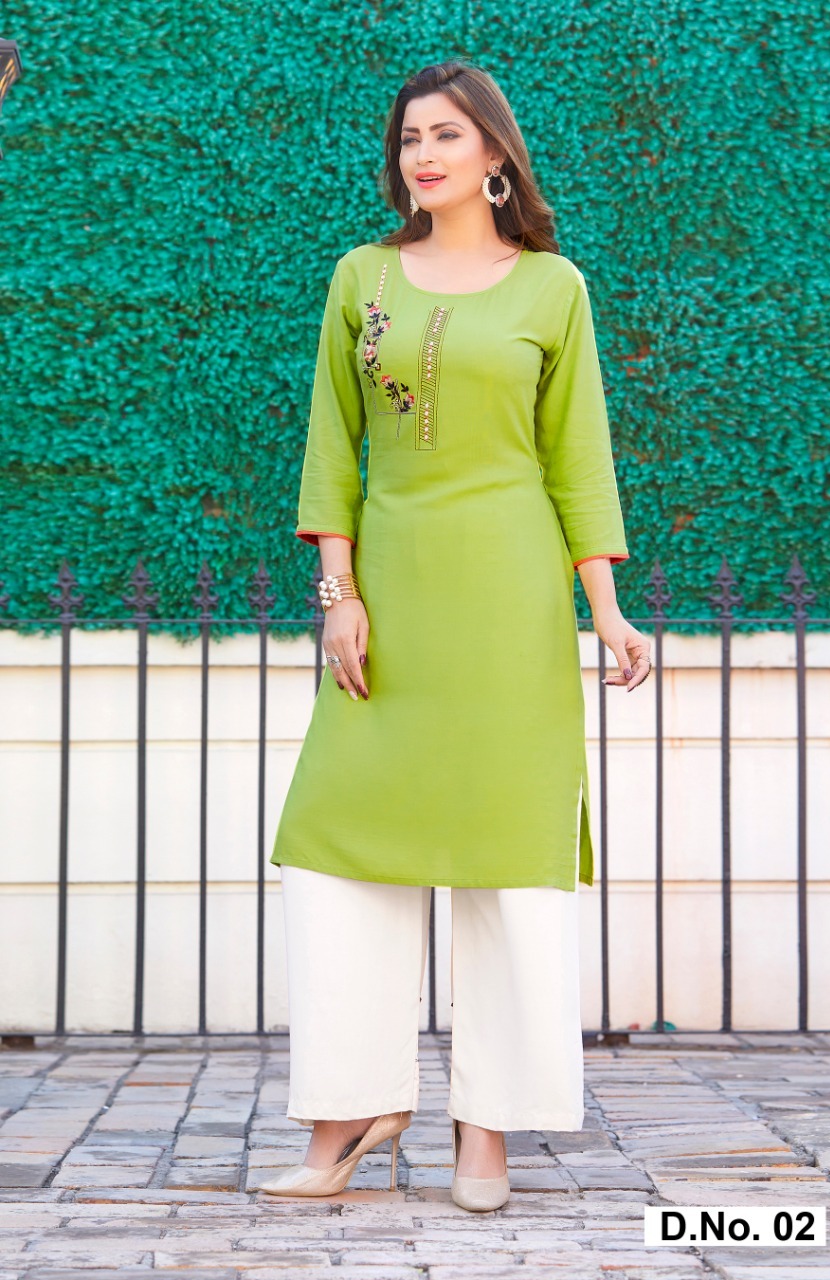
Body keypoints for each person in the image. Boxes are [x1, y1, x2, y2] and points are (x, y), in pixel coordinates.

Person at [260, 59, 651, 1211]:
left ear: (493, 154)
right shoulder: (362, 277)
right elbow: (331, 440)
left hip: (509, 603)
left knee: (510, 864)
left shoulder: (553, 288)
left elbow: (577, 453)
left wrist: (606, 605)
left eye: (445, 134)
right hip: (391, 595)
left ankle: (488, 1127)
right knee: (336, 848)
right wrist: (340, 591)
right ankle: (350, 1109)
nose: (421, 155)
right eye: (408, 138)